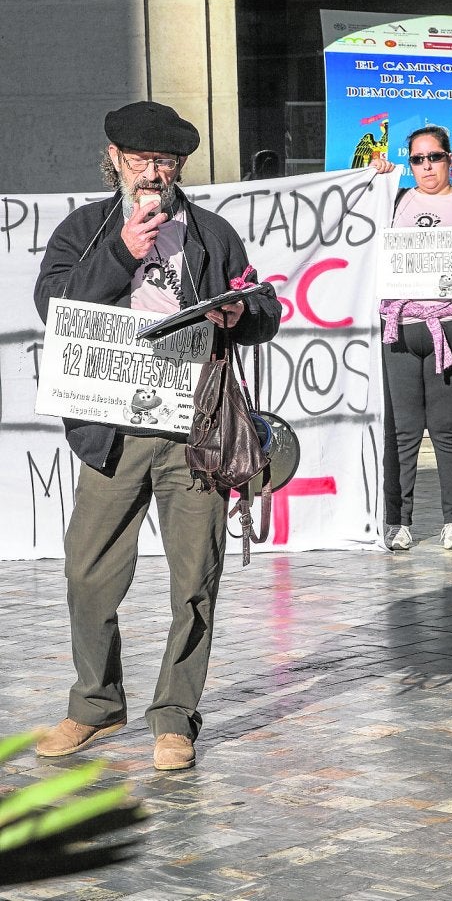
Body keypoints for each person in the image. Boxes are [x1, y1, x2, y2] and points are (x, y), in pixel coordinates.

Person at [33, 101, 281, 770]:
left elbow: (263, 303)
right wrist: (122, 252)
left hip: (194, 427)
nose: (153, 171)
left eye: (166, 161)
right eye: (140, 159)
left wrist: (240, 311)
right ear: (113, 158)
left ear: (179, 168)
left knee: (195, 575)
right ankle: (95, 702)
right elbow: (54, 308)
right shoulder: (85, 230)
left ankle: (175, 716)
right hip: (113, 429)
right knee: (87, 571)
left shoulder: (210, 231)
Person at [379, 125, 452, 551]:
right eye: (417, 159)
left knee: (448, 430)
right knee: (402, 431)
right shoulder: (394, 200)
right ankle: (398, 521)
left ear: (450, 160)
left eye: (435, 157)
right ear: (409, 164)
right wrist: (379, 175)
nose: (426, 166)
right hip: (401, 327)